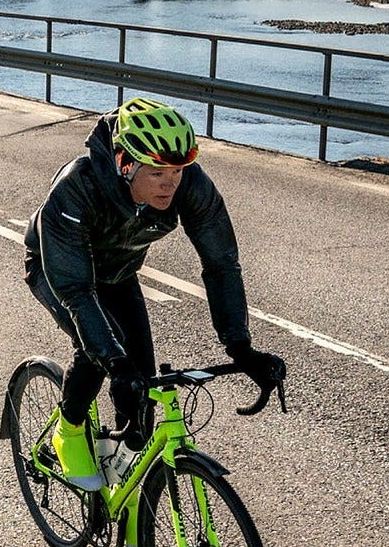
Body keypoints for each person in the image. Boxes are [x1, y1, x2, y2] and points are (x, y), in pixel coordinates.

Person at [24, 97, 285, 489]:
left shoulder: (190, 185)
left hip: (119, 273)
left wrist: (240, 347)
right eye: (158, 172)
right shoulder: (78, 187)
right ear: (125, 164)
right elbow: (76, 291)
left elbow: (221, 265)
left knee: (142, 397)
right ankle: (69, 429)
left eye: (177, 170)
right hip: (57, 270)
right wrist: (115, 362)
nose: (170, 183)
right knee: (101, 350)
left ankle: (128, 502)